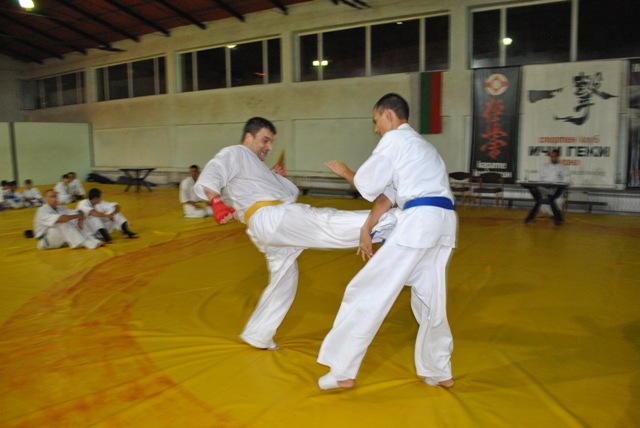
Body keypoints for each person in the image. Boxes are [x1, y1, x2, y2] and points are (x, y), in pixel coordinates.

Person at [193, 117, 393, 351]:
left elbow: (262, 191)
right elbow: (215, 170)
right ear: (248, 137)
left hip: (269, 226)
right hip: (273, 218)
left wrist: (275, 177)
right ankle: (393, 220)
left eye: (271, 142)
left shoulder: (253, 165)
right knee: (323, 221)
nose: (269, 146)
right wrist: (216, 201)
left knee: (285, 280)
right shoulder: (236, 153)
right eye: (265, 140)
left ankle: (258, 334)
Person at [317, 93, 458, 391]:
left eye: (376, 121)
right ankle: (439, 370)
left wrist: (345, 172)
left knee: (366, 290)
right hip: (443, 224)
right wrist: (367, 227)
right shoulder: (423, 147)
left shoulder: (395, 140)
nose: (376, 128)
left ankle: (342, 371)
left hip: (420, 222)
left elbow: (368, 185)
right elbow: (387, 196)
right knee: (430, 300)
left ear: (389, 116)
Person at [33, 189, 104, 250]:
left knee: (74, 219)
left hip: (57, 239)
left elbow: (79, 212)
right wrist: (78, 216)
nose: (55, 199)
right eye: (52, 197)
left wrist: (80, 218)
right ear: (45, 199)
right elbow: (62, 219)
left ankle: (90, 238)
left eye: (55, 196)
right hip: (45, 241)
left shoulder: (60, 207)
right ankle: (85, 243)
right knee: (62, 222)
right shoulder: (42, 210)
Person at [537, 149, 570, 216]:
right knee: (542, 196)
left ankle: (554, 214)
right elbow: (539, 177)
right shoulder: (544, 166)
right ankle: (544, 212)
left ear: (558, 157)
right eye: (551, 157)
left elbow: (566, 178)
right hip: (545, 187)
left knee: (558, 199)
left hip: (557, 189)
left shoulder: (563, 167)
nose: (552, 158)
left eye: (554, 157)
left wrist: (563, 186)